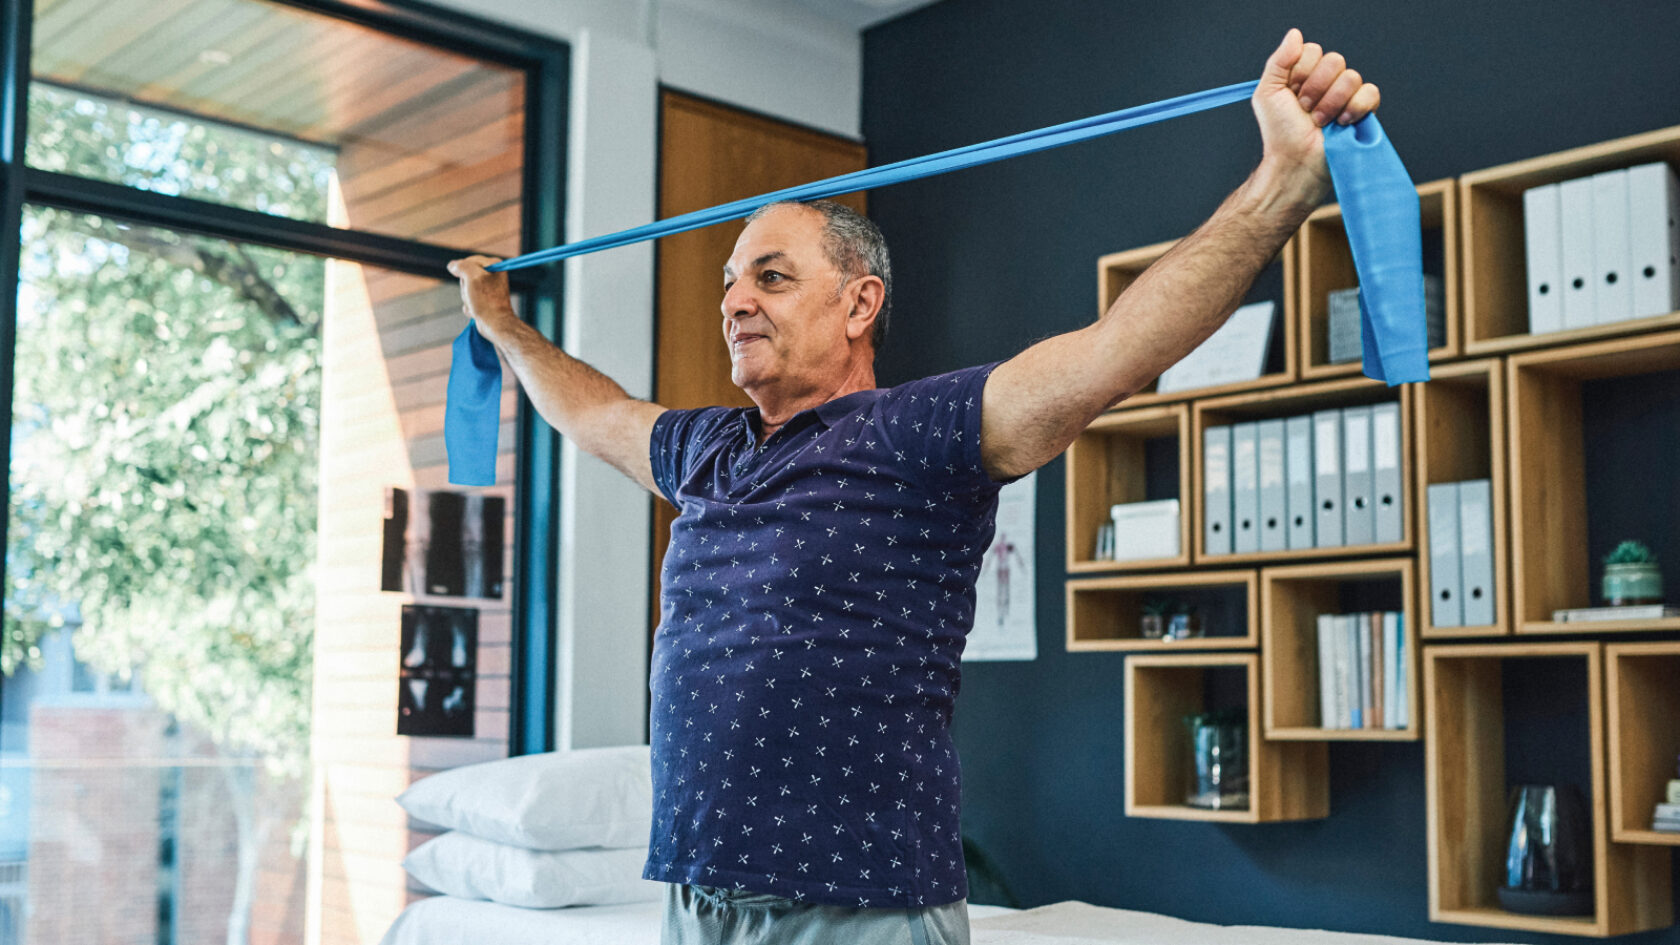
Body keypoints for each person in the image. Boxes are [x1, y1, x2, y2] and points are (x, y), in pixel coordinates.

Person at [448, 28, 1379, 945]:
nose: (734, 300)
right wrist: (503, 328)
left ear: (859, 303)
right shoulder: (708, 451)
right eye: (731, 281)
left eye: (771, 277)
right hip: (698, 897)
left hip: (861, 907)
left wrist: (1283, 185)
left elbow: (1114, 350)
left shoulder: (916, 432)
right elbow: (593, 412)